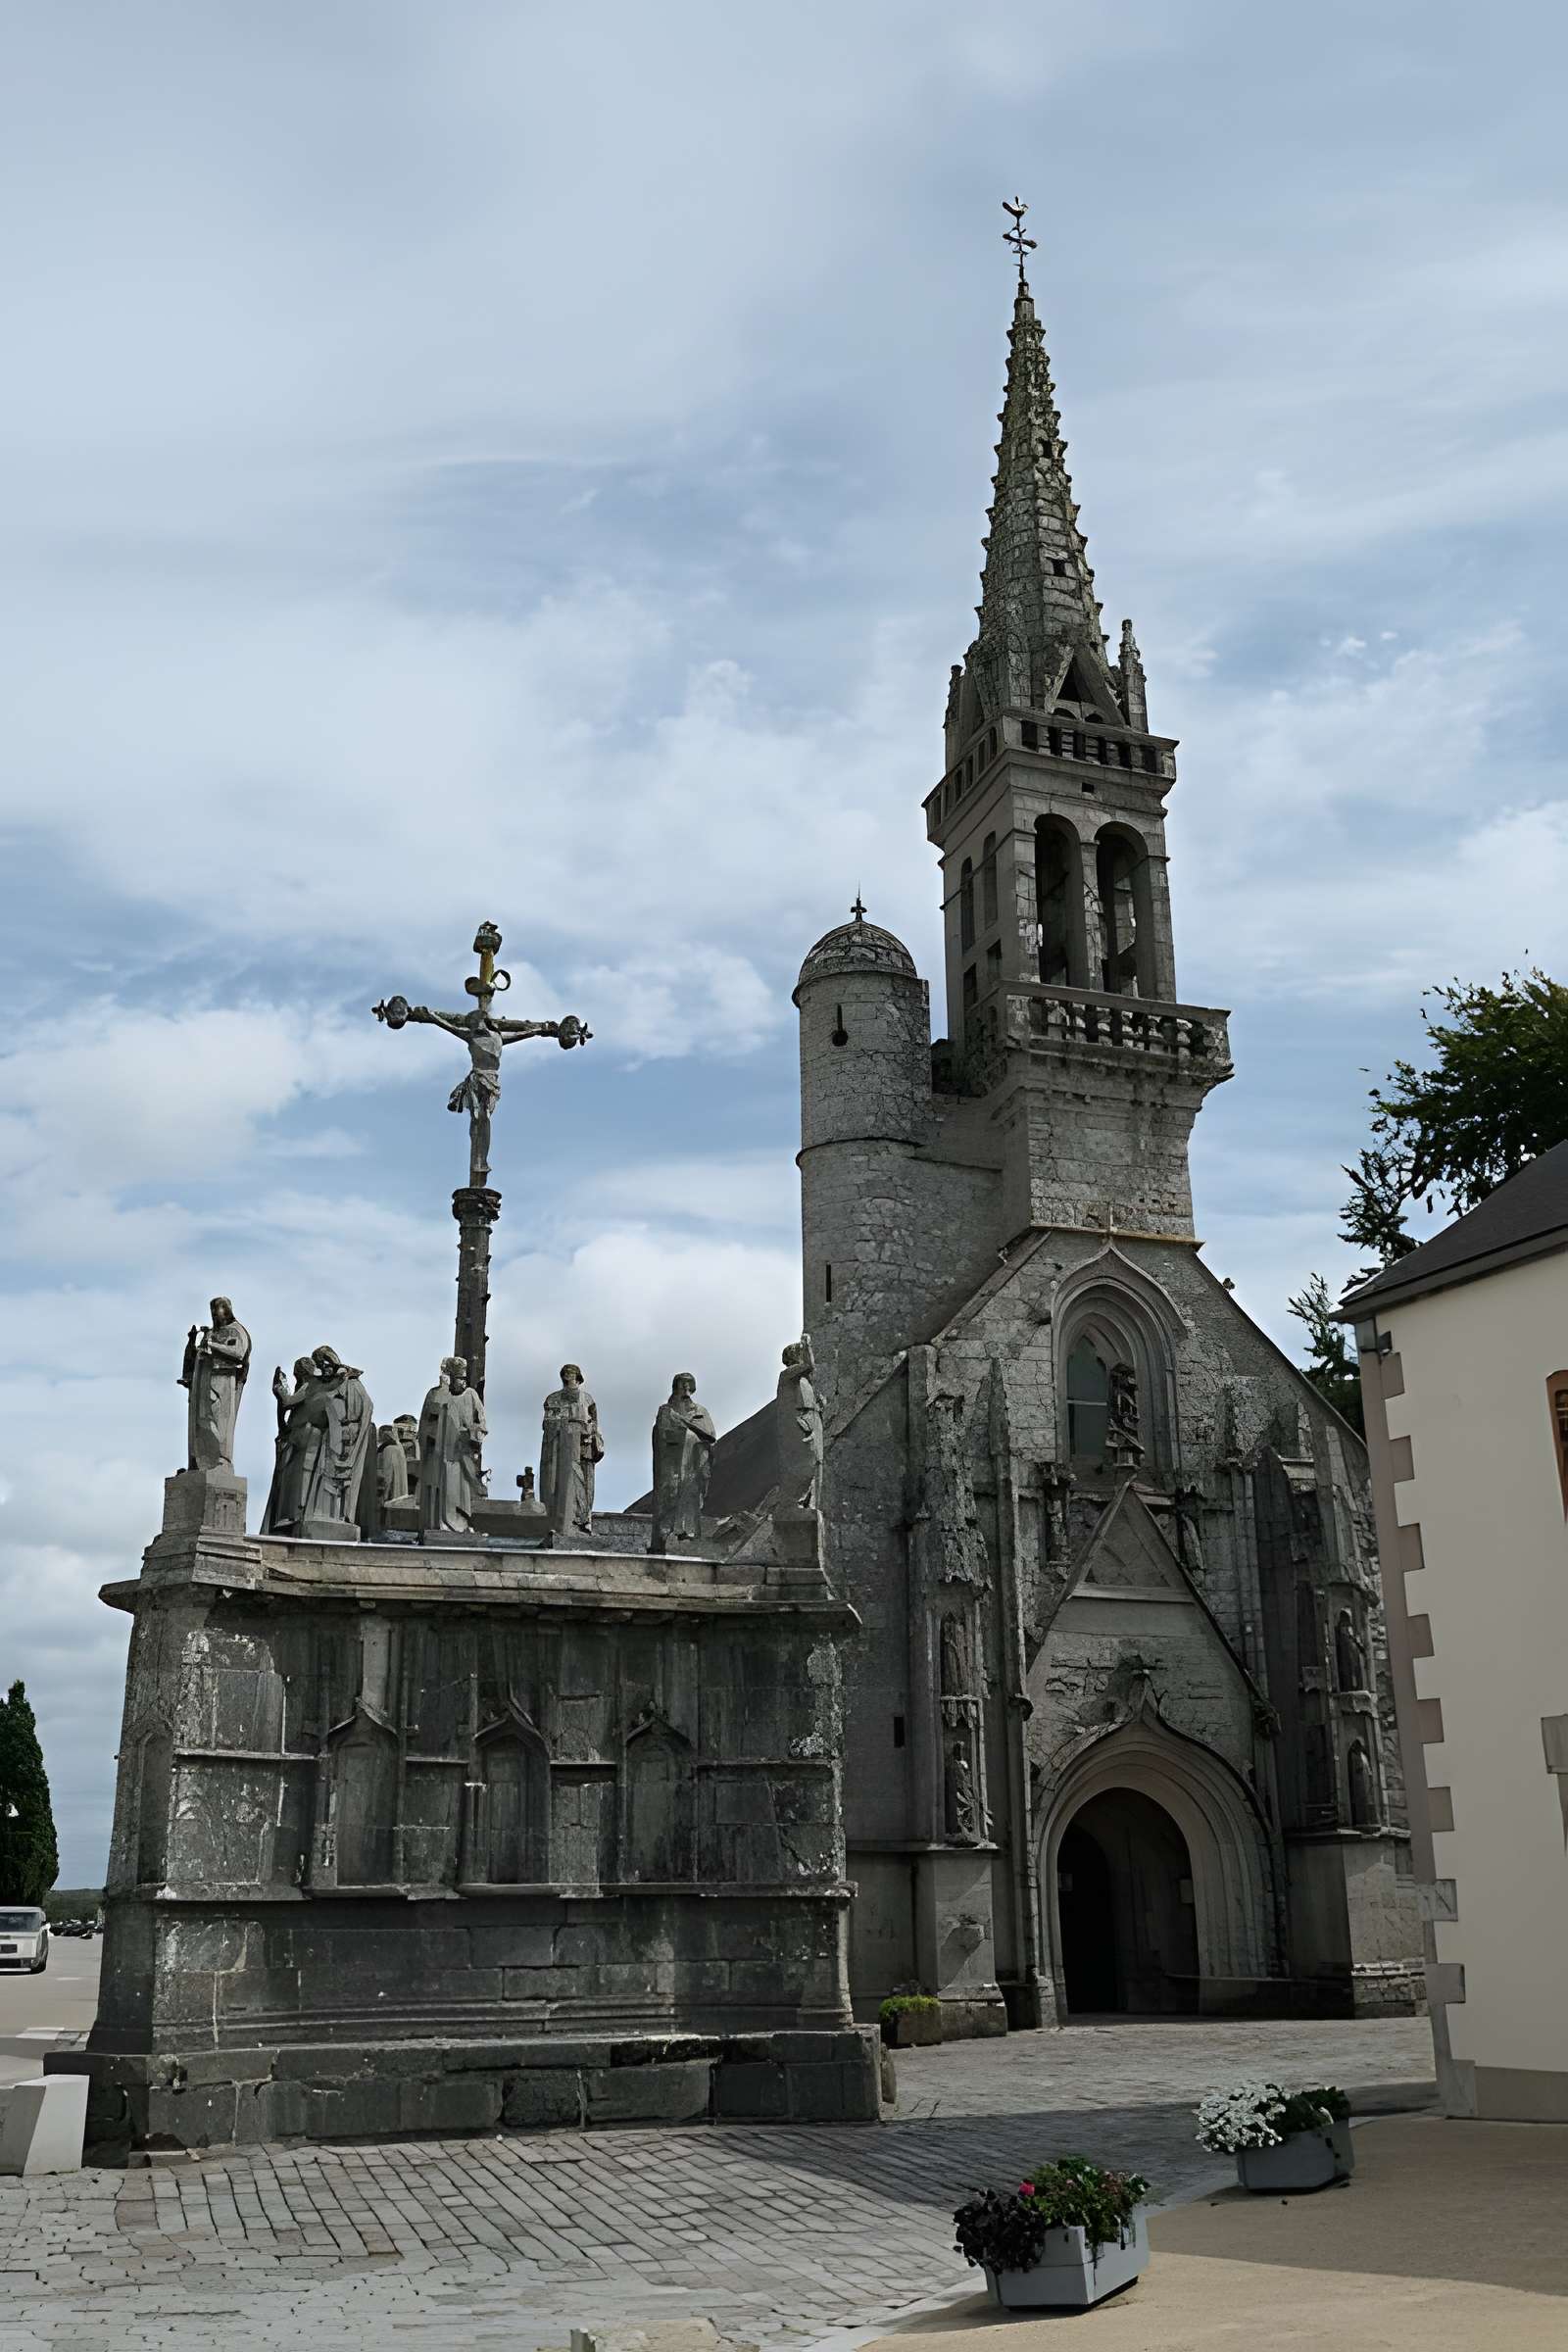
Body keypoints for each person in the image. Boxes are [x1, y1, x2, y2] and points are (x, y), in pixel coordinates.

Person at [179, 1297, 251, 1472]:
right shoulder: (211, 1333)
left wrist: (212, 1346)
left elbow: (239, 1353)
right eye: (212, 1310)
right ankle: (199, 1462)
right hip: (203, 1381)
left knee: (219, 1421)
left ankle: (222, 1461)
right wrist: (193, 1342)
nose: (214, 1313)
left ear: (226, 1309)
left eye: (217, 1309)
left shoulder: (236, 1330)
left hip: (223, 1381)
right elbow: (199, 1354)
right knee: (202, 1422)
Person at [417, 1354, 487, 1535]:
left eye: (464, 1378)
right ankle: (440, 1524)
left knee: (459, 1491)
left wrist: (473, 1434)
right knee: (441, 1488)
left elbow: (481, 1423)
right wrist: (443, 1390)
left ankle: (459, 1524)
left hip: (460, 1453)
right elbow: (427, 1420)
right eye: (458, 1378)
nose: (461, 1382)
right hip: (440, 1453)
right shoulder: (436, 1394)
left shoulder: (471, 1395)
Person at [650, 1373, 716, 1553]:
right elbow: (660, 1435)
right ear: (675, 1387)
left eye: (689, 1384)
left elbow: (710, 1434)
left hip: (694, 1461)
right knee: (670, 1493)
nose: (685, 1388)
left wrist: (689, 1428)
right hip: (671, 1462)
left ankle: (688, 1533)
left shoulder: (700, 1411)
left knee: (691, 1494)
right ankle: (666, 1533)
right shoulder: (666, 1410)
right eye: (681, 1384)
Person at [539, 1364, 604, 1535]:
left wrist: (589, 1435)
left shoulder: (588, 1400)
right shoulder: (552, 1399)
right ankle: (558, 1521)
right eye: (565, 1372)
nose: (568, 1375)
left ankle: (582, 1520)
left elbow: (595, 1425)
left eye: (572, 1372)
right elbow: (547, 1424)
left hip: (583, 1449)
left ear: (578, 1376)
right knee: (558, 1483)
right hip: (559, 1449)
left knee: (583, 1483)